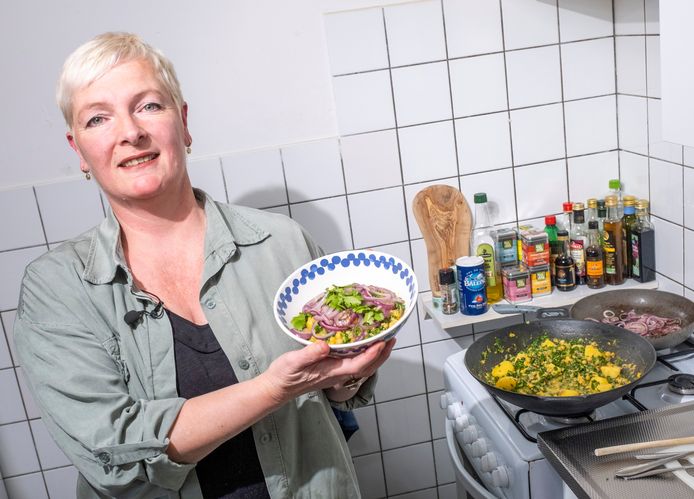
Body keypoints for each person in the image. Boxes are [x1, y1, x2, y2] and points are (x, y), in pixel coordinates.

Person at [14, 32, 394, 499]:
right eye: (98, 118)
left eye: (149, 106)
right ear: (80, 152)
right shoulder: (57, 287)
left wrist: (350, 372)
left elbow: (337, 394)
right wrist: (274, 388)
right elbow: (112, 455)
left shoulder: (281, 241)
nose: (131, 132)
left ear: (184, 122)